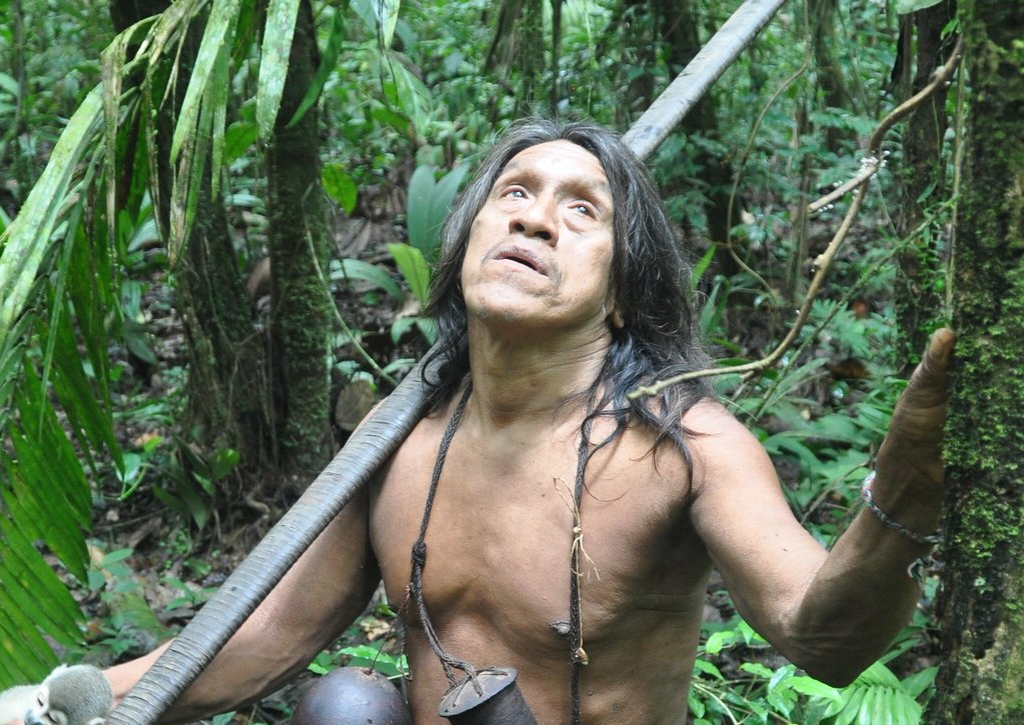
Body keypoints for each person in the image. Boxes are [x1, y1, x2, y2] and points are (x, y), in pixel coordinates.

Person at [103, 119, 955, 724]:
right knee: (345, 706)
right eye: (514, 191)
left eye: (582, 209)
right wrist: (65, 703)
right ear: (468, 237)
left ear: (620, 293)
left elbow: (823, 634)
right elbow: (269, 634)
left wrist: (908, 490)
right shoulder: (399, 443)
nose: (534, 216)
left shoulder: (683, 446)